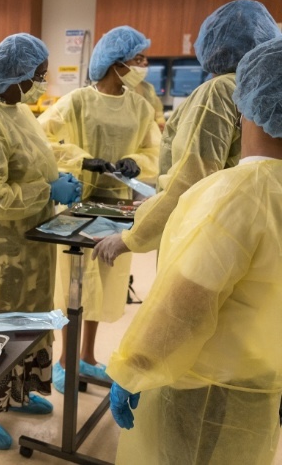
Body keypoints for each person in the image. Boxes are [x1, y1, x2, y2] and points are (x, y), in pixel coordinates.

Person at [107, 35, 282, 465]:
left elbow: (185, 303)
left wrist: (135, 367)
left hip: (206, 385)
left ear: (246, 107)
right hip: (263, 383)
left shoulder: (239, 194)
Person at [0, 33, 82, 450]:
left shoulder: (18, 109)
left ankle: (16, 394)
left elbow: (31, 161)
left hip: (28, 243)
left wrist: (58, 177)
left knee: (26, 326)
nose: (42, 83)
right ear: (15, 75)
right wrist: (47, 191)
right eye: (38, 75)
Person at [93, 0, 281, 267]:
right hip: (247, 229)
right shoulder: (262, 91)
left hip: (202, 235)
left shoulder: (217, 91)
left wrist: (131, 238)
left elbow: (190, 181)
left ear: (214, 45)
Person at [37, 26, 160, 393]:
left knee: (103, 283)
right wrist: (81, 159)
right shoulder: (77, 101)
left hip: (119, 205)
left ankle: (87, 356)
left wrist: (136, 161)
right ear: (115, 62)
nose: (143, 66)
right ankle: (65, 360)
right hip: (78, 202)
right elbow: (41, 137)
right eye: (138, 59)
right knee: (75, 286)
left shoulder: (140, 106)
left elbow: (155, 150)